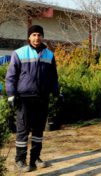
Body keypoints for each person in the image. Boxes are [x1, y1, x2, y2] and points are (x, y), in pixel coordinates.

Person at [5, 25, 60, 172]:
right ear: (29, 37)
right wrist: (11, 94)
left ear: (42, 37)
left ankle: (35, 157)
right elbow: (10, 77)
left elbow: (53, 77)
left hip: (42, 98)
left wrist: (56, 92)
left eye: (39, 35)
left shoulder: (49, 55)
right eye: (34, 35)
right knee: (23, 130)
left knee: (38, 130)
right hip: (24, 99)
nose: (37, 38)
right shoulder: (19, 53)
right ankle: (20, 160)